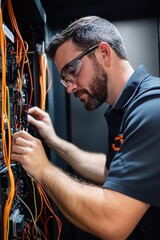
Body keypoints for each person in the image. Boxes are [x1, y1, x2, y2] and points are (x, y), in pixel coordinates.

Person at [11, 16, 160, 240]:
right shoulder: (129, 106)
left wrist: (44, 170)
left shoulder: (150, 110)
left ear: (104, 53)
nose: (69, 88)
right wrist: (54, 142)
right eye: (64, 79)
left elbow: (112, 222)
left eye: (72, 70)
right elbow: (110, 171)